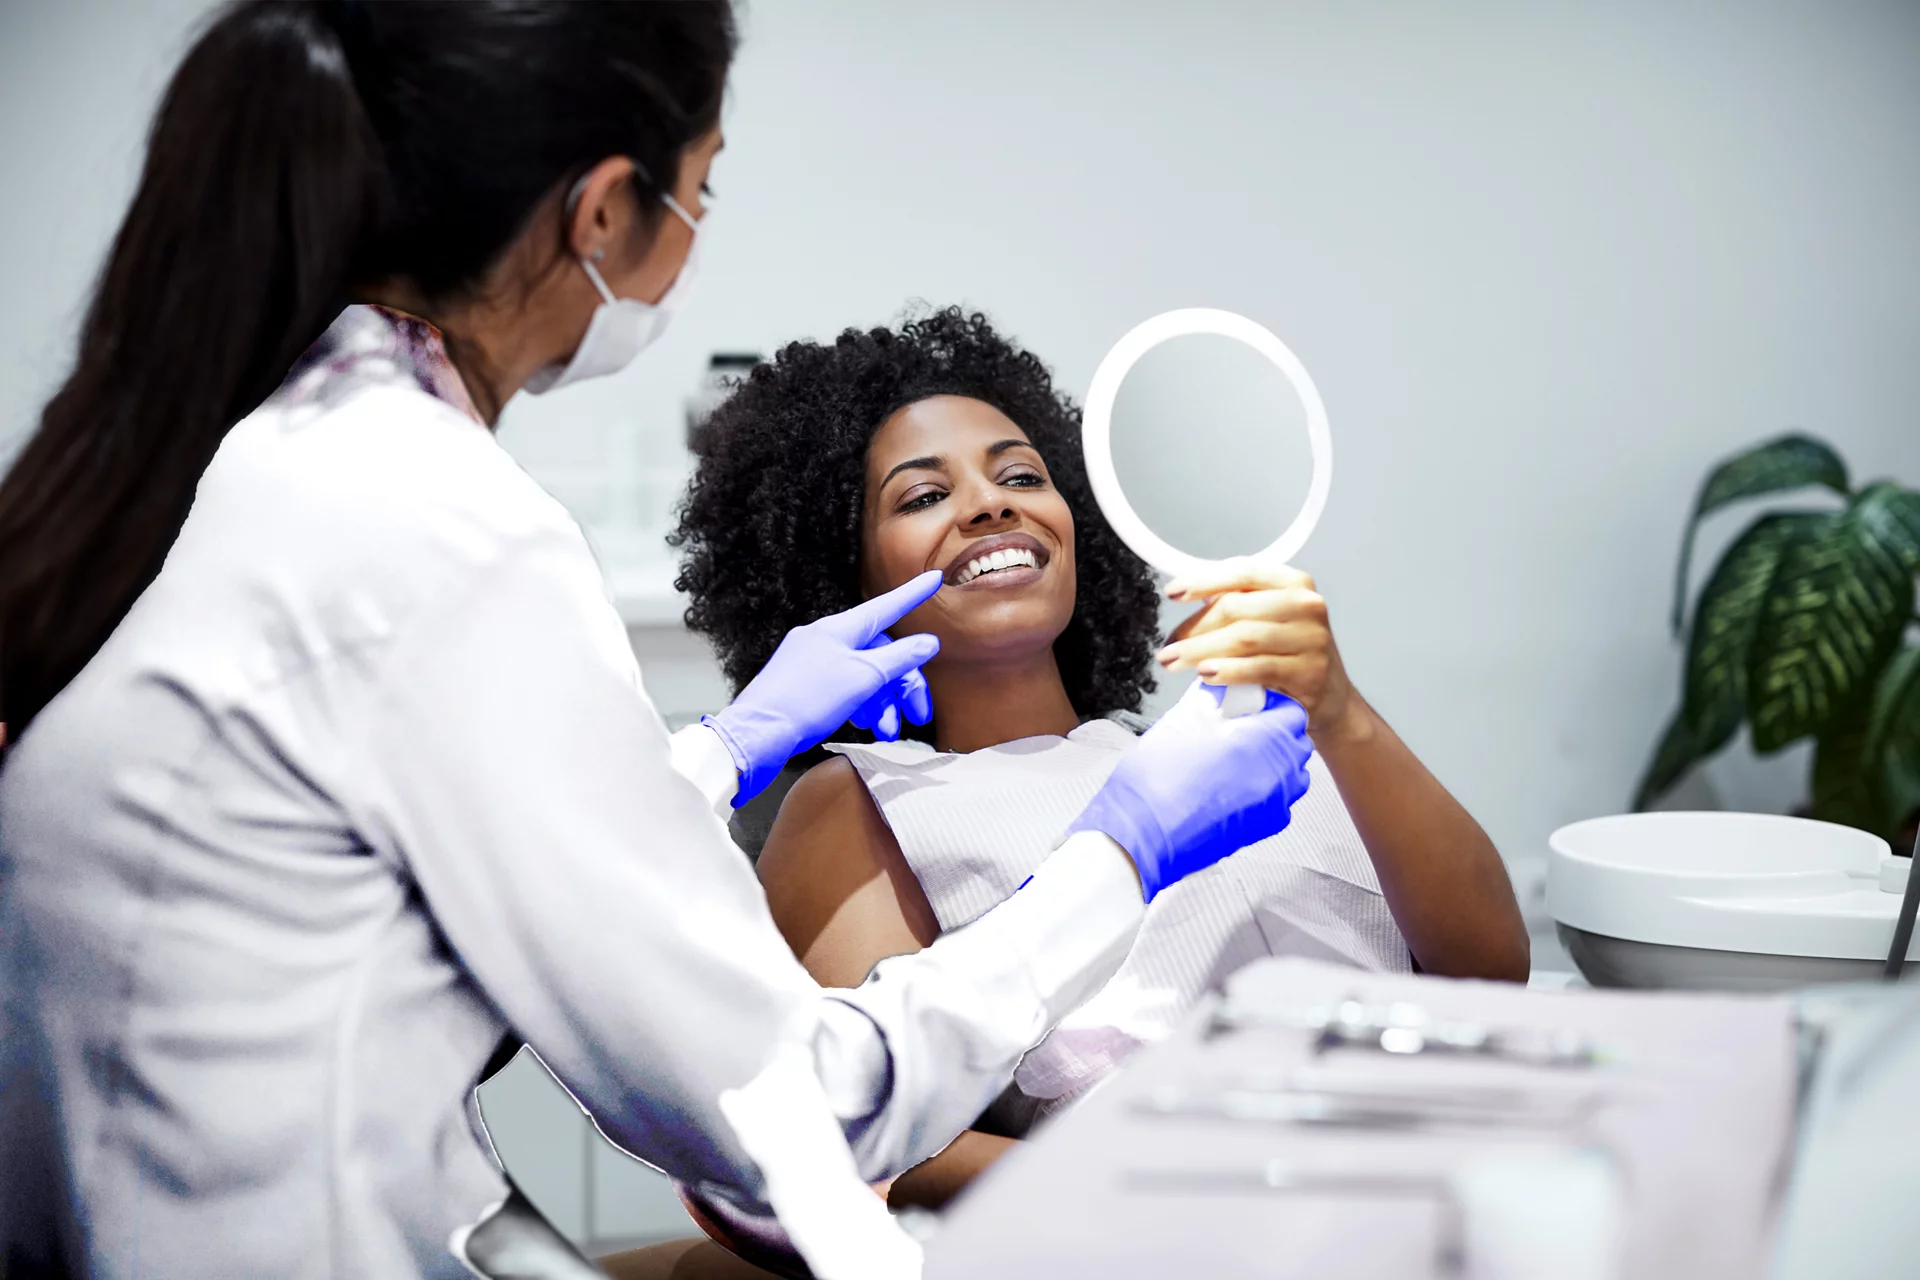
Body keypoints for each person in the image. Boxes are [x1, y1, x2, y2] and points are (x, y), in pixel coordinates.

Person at [0, 6, 1321, 1278]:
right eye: (702, 190)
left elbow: (451, 842)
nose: (984, 506)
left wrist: (717, 755)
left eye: (1016, 471)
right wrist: (1125, 846)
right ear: (602, 211)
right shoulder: (444, 529)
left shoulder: (276, 450)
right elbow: (792, 1116)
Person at [670, 307, 1531, 1215]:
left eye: (1022, 476)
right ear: (845, 579)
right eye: (925, 496)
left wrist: (1340, 711)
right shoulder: (863, 801)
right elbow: (875, 1138)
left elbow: (1489, 969)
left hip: (1441, 1178)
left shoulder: (1229, 749)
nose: (991, 504)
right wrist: (1164, 1179)